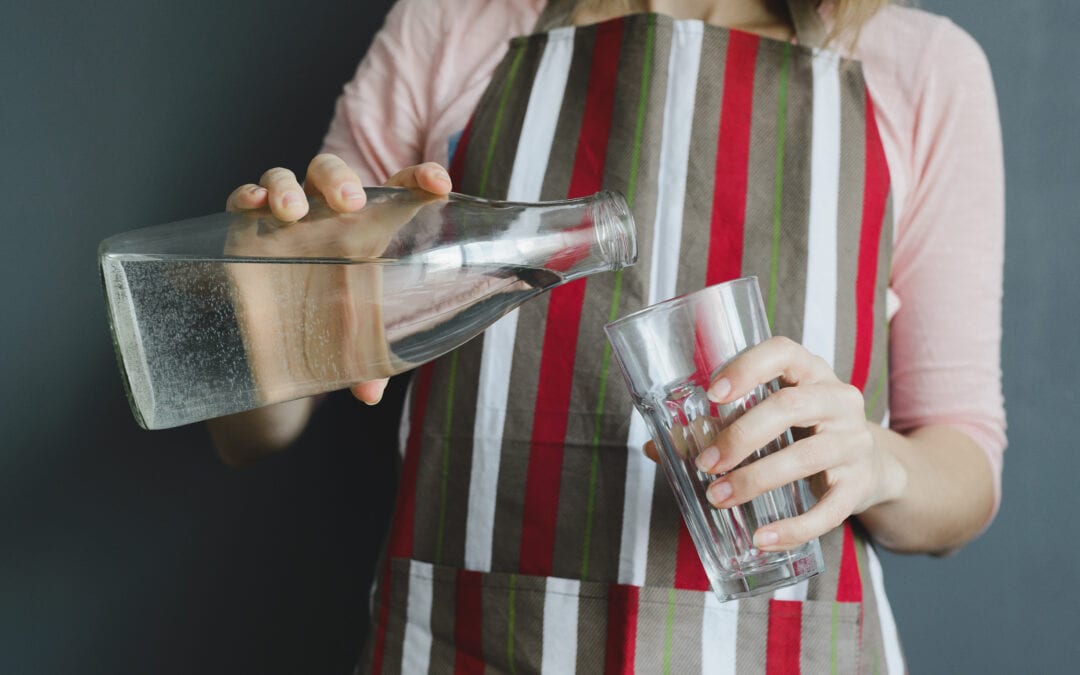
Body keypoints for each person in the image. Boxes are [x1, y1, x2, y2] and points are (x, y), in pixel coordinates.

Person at [209, 0, 1005, 671]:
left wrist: (880, 464)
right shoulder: (456, 23)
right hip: (470, 638)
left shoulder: (923, 70)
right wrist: (268, 323)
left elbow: (963, 468)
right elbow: (249, 434)